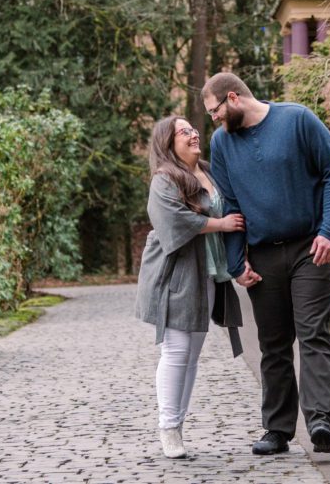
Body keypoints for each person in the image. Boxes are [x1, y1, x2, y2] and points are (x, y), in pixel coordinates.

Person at [201, 72, 330, 456]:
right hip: (263, 254)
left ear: (233, 98)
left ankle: (319, 419)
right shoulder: (222, 144)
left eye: (215, 110)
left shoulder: (297, 119)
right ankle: (278, 430)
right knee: (274, 344)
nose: (213, 119)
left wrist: (329, 232)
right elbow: (230, 206)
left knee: (313, 332)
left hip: (310, 247)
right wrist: (236, 263)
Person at [134, 115, 246, 459]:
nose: (194, 134)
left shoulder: (209, 172)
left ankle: (178, 424)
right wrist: (221, 224)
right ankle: (168, 428)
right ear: (169, 143)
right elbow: (173, 222)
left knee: (193, 355)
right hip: (176, 275)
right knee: (177, 352)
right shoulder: (165, 179)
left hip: (209, 273)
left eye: (193, 129)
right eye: (185, 132)